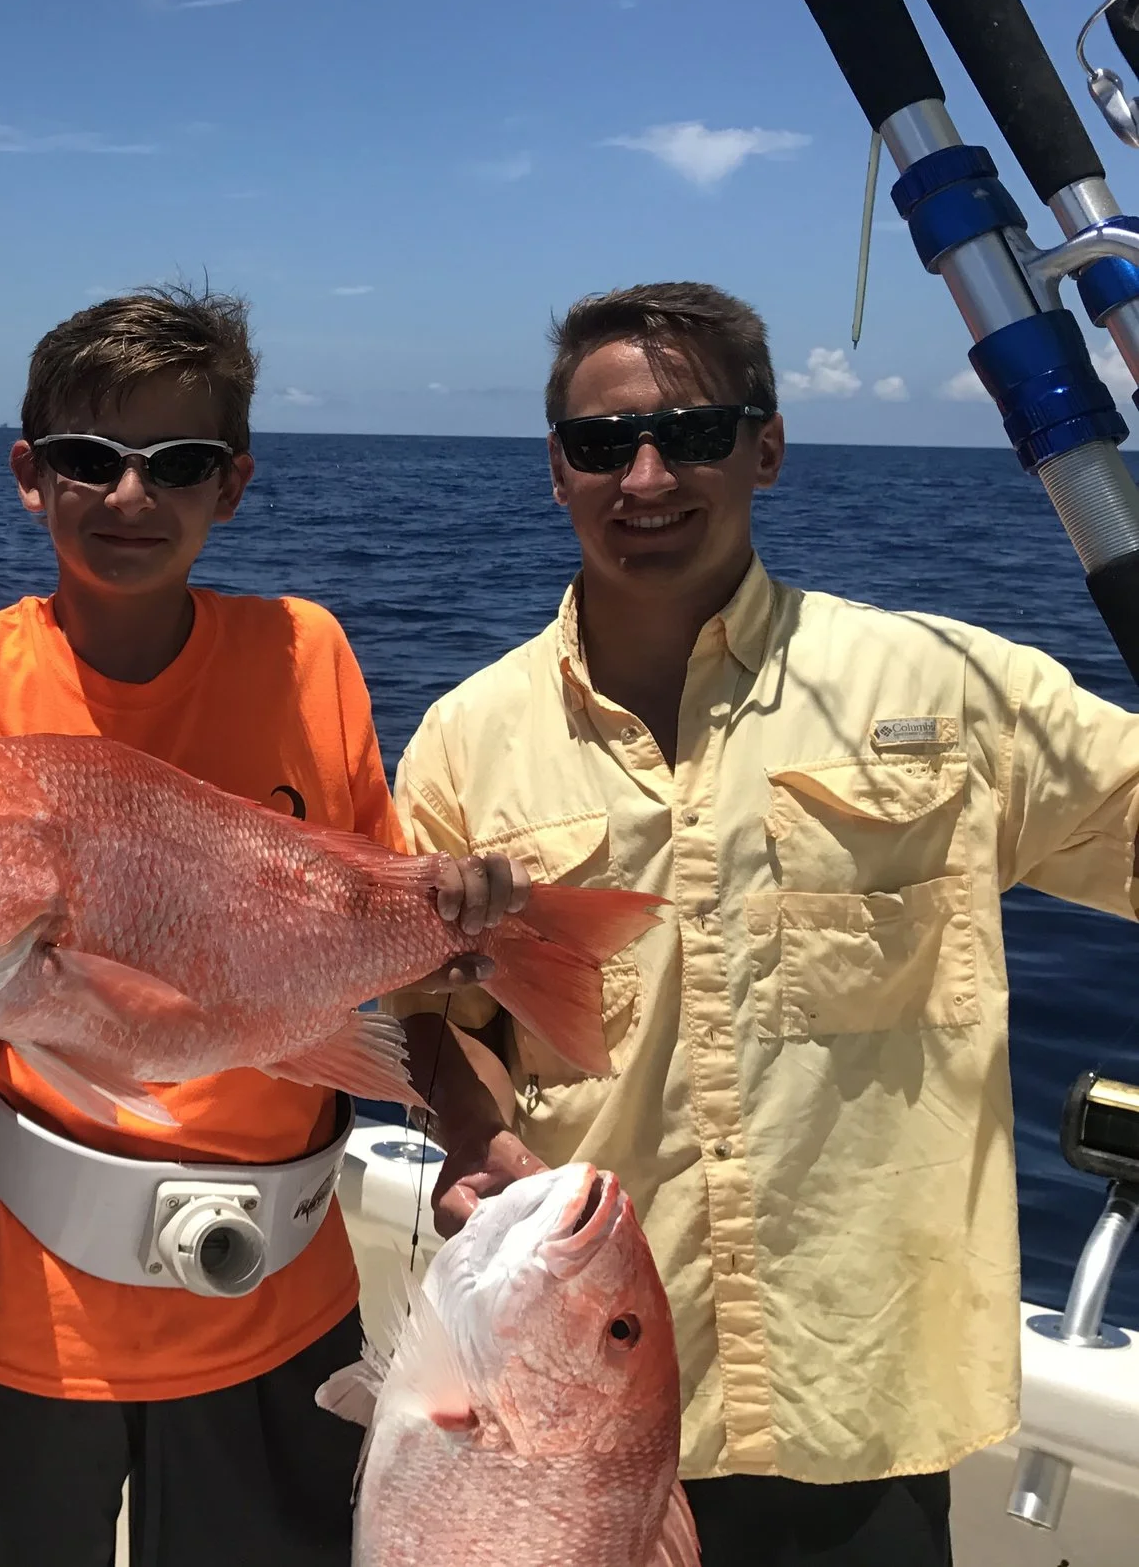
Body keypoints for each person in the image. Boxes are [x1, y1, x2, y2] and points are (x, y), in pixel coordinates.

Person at [393, 282, 1139, 1567]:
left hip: (854, 1400)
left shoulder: (946, 688)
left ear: (768, 447)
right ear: (554, 471)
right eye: (601, 444)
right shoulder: (466, 738)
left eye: (692, 434)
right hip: (563, 1400)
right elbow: (438, 1017)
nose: (645, 477)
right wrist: (470, 1132)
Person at [0, 285, 518, 1567]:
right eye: (90, 459)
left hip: (281, 1286)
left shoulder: (307, 651)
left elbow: (369, 911)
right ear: (29, 475)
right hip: (27, 1296)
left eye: (178, 464)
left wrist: (470, 1063)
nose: (129, 497)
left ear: (232, 485)